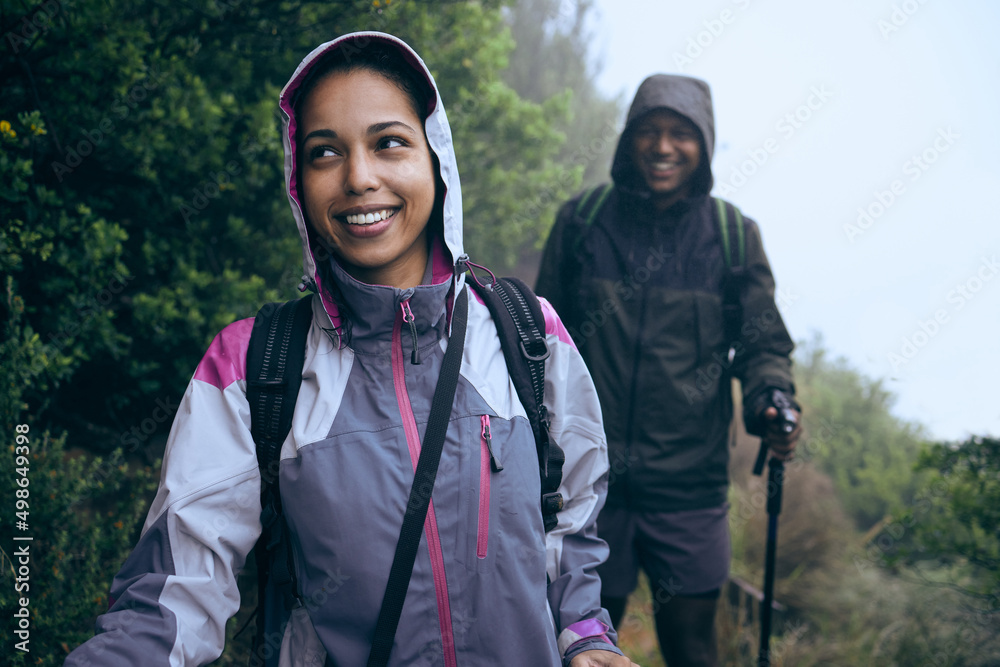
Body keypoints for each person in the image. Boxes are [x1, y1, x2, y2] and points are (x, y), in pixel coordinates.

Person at [66, 32, 638, 667]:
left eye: (388, 143)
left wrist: (585, 636)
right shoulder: (251, 368)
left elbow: (569, 519)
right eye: (324, 153)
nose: (359, 177)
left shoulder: (528, 334)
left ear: (436, 159)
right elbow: (175, 594)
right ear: (299, 180)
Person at [535, 74, 802, 667]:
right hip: (587, 489)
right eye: (649, 132)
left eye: (680, 134)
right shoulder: (583, 222)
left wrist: (772, 399)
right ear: (628, 140)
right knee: (577, 648)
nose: (662, 147)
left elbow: (762, 347)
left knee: (691, 647)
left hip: (688, 490)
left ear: (704, 145)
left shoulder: (733, 238)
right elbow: (539, 344)